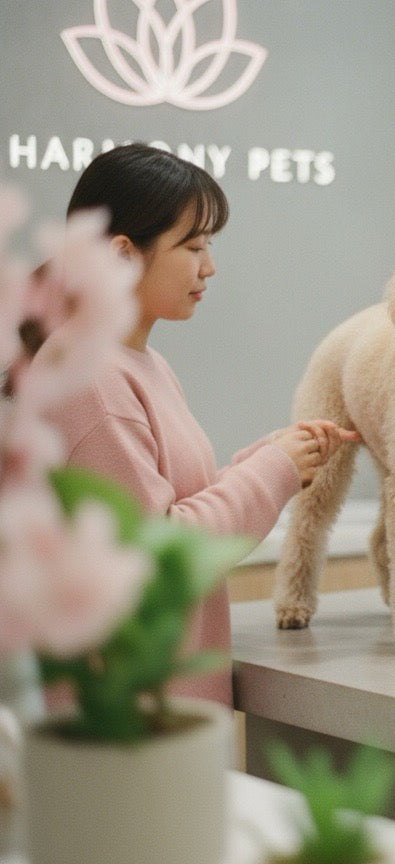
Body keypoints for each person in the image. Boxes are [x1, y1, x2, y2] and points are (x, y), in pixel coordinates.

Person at [36, 142, 352, 706]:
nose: (209, 266)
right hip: (127, 721)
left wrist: (269, 459)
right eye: (194, 246)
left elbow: (174, 502)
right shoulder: (91, 378)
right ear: (122, 254)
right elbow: (157, 554)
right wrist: (274, 470)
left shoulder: (138, 364)